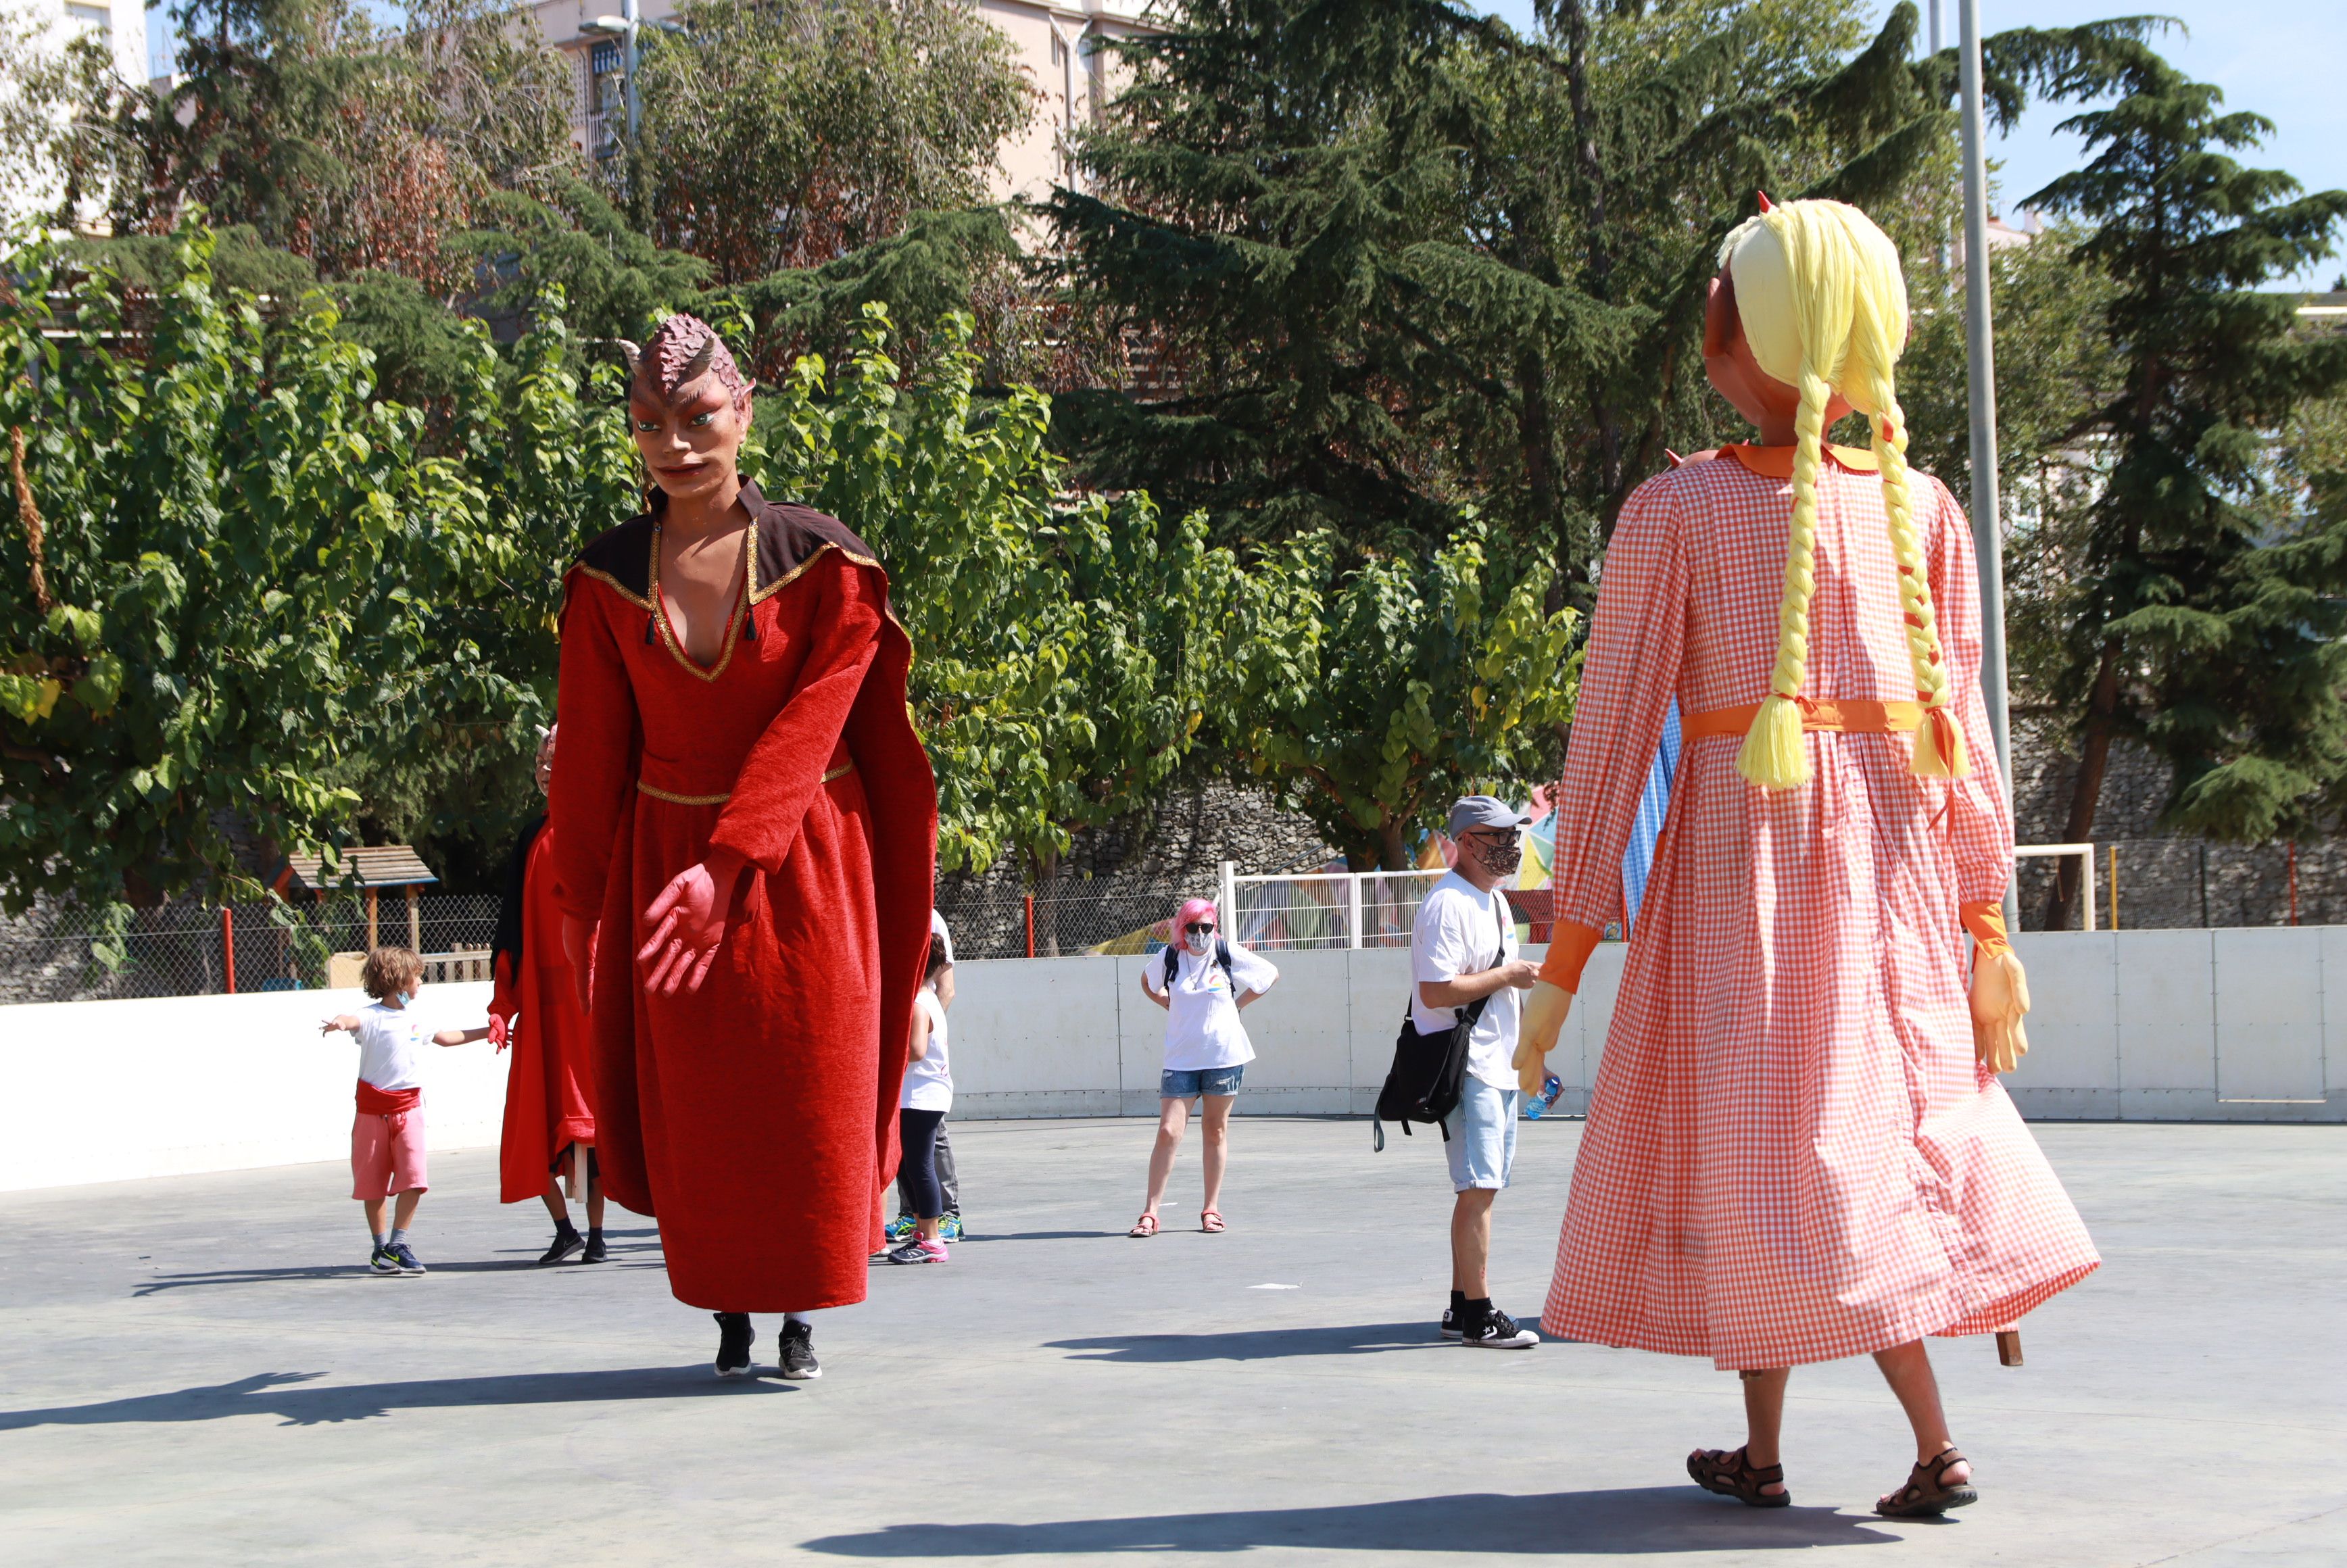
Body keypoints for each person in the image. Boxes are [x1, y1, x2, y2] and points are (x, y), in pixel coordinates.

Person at [1514, 197, 2094, 1516]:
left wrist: (1564, 954)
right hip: (1887, 885)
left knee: (1783, 1155)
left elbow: (1606, 738)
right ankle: (1767, 1453)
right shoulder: (1923, 510)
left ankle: (1929, 1442)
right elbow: (1961, 737)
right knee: (1848, 1151)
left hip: (1744, 883)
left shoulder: (1675, 511)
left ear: (1743, 336)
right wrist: (1983, 920)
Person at [549, 315, 938, 1383]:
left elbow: (815, 722)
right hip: (665, 874)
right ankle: (727, 1309)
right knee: (706, 1105)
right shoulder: (603, 580)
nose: (673, 443)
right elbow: (589, 752)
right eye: (649, 424)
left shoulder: (824, 562)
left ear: (743, 412)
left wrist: (732, 862)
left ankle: (801, 1313)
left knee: (803, 1090)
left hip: (804, 860)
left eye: (695, 417)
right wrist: (580, 911)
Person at [1411, 798, 1544, 1350]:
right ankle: (1480, 1316)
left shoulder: (1488, 900)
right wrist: (1506, 975)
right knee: (1479, 1189)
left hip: (1496, 1063)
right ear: (1466, 842)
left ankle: (1461, 1306)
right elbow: (1436, 991)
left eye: (1515, 836)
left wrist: (1528, 1049)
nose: (1511, 847)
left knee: (1478, 1189)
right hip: (1469, 1069)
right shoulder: (1449, 904)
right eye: (1499, 836)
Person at [487, 725, 608, 1267]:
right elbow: (509, 928)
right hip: (541, 1005)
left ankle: (599, 1235)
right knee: (532, 1121)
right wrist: (502, 1004)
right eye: (541, 760)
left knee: (593, 1119)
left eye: (556, 759)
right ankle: (567, 1230)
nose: (545, 768)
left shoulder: (597, 832)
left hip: (587, 1004)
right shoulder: (528, 839)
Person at [319, 946, 495, 1275]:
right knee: (373, 1183)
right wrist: (339, 1023)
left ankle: (399, 1243)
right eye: (417, 977)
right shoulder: (371, 1016)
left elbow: (446, 1037)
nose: (420, 983)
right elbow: (351, 1019)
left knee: (414, 1178)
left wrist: (487, 1032)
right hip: (372, 1113)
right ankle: (381, 1249)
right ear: (399, 980)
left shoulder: (417, 1018)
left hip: (409, 1110)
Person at [1129, 896, 1278, 1238]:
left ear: (1214, 928)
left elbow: (1268, 974)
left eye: (1205, 927)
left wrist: (1238, 1005)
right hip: (1181, 1059)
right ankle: (1150, 1212)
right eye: (1192, 927)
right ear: (1182, 929)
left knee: (1215, 1131)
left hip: (1223, 1057)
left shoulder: (1224, 953)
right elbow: (1147, 982)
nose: (1198, 933)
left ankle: (1211, 1208)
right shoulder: (1170, 957)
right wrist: (1165, 1002)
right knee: (1169, 1131)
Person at [888, 910, 964, 1244]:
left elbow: (917, 1050)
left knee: (921, 1164)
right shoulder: (923, 1000)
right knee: (909, 1164)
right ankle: (921, 1226)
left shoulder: (922, 1002)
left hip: (921, 1094)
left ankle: (935, 1231)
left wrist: (888, 1058)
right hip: (917, 1093)